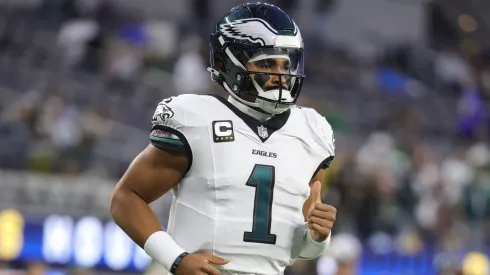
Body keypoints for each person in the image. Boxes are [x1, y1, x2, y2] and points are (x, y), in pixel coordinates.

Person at [110, 3, 337, 275]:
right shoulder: (196, 117)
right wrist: (175, 259)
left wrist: (318, 238)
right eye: (266, 63)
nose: (281, 76)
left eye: (285, 64)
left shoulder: (312, 131)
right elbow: (125, 198)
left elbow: (300, 249)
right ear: (228, 64)